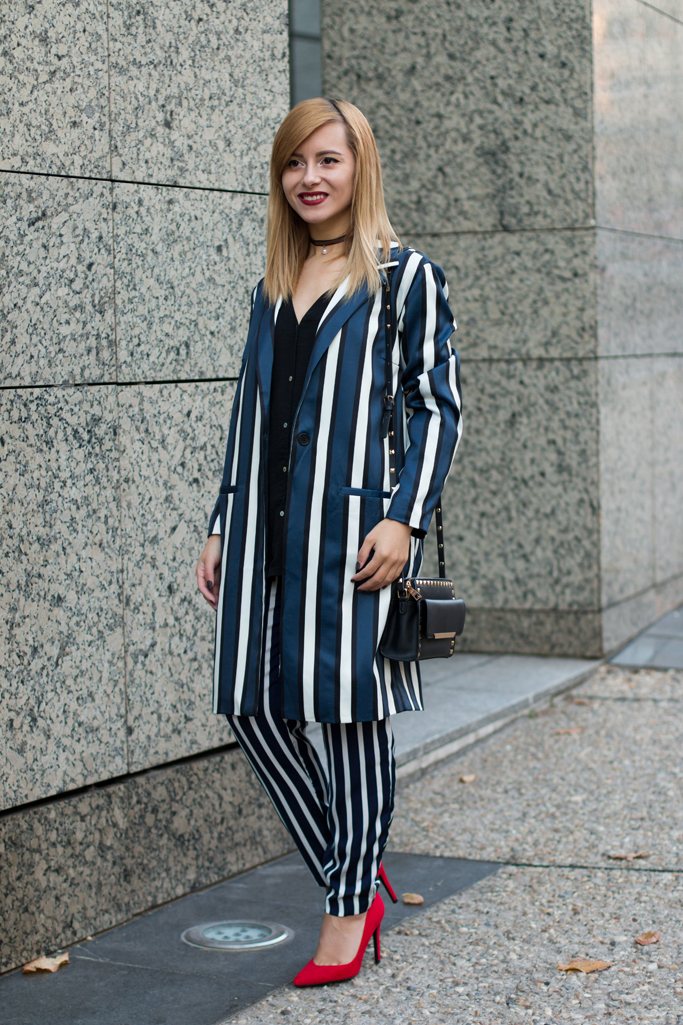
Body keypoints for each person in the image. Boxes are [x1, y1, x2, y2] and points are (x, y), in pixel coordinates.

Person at [196, 97, 462, 986]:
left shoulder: (404, 277)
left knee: (349, 717)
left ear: (360, 168)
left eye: (326, 160)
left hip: (356, 535)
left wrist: (404, 517)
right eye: (293, 162)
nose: (308, 178)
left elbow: (437, 407)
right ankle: (356, 874)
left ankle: (347, 907)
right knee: (250, 706)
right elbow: (249, 413)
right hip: (262, 532)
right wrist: (220, 521)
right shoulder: (270, 285)